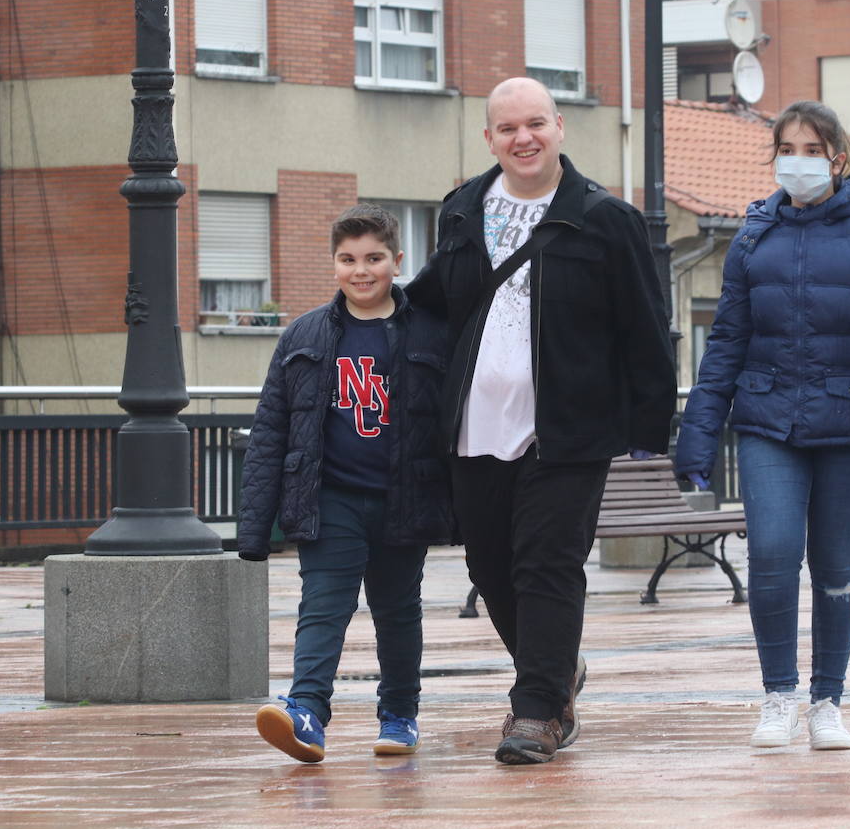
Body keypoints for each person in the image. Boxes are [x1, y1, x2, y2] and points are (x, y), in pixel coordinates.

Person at [407, 77, 675, 765]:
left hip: (567, 428)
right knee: (490, 565)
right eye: (507, 128)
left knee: (547, 566)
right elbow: (438, 299)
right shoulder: (463, 209)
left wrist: (652, 428)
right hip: (474, 425)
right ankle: (558, 672)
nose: (522, 138)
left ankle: (535, 713)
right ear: (489, 139)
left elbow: (645, 325)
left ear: (559, 127)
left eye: (535, 124)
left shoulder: (604, 218)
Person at [674, 100, 850, 751]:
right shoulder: (755, 239)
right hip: (768, 425)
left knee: (838, 566)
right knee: (773, 554)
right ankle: (778, 695)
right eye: (787, 148)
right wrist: (696, 436)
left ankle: (827, 700)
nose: (799, 160)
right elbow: (724, 342)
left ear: (837, 158)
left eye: (811, 150)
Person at [238, 204, 453, 763]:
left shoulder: (429, 331)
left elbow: (455, 424)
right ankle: (306, 712)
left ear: (397, 261)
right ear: (333, 262)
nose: (362, 271)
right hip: (328, 497)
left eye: (374, 258)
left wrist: (461, 509)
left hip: (404, 498)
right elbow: (270, 431)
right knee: (323, 604)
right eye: (348, 259)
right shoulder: (303, 335)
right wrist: (253, 529)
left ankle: (400, 714)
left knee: (397, 610)